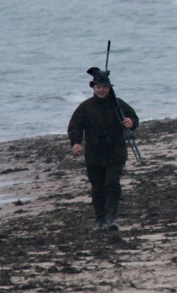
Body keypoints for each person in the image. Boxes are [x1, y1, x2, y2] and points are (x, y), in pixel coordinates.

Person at [68, 68, 139, 231]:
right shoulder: (85, 106)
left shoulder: (118, 104)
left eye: (104, 87)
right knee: (97, 186)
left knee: (112, 183)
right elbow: (75, 126)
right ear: (93, 88)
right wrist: (76, 142)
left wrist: (131, 122)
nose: (101, 90)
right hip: (94, 153)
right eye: (98, 87)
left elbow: (134, 118)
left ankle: (112, 219)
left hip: (116, 151)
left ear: (109, 88)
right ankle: (100, 220)